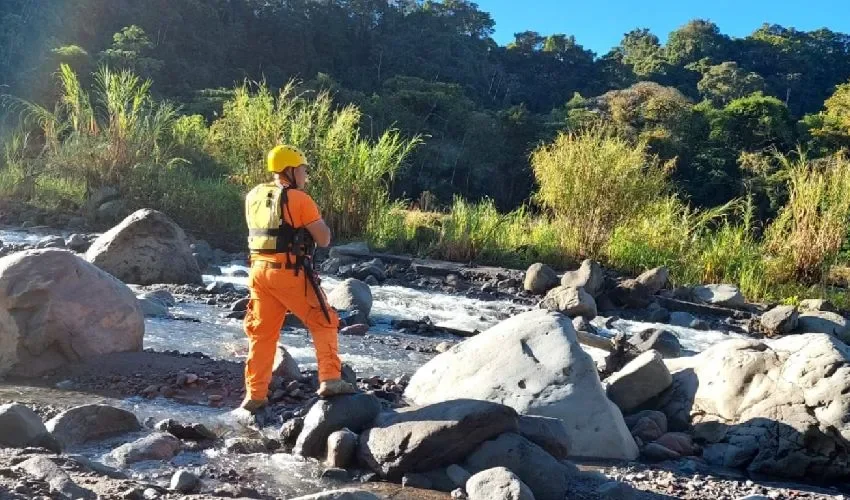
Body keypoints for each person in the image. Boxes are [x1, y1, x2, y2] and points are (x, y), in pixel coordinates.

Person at [240, 145, 356, 413]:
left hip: (258, 272)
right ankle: (330, 378)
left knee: (262, 334)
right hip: (288, 272)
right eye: (303, 170)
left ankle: (255, 394)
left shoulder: (253, 196)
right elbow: (324, 239)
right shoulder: (299, 199)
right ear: (290, 170)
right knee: (324, 319)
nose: (305, 175)